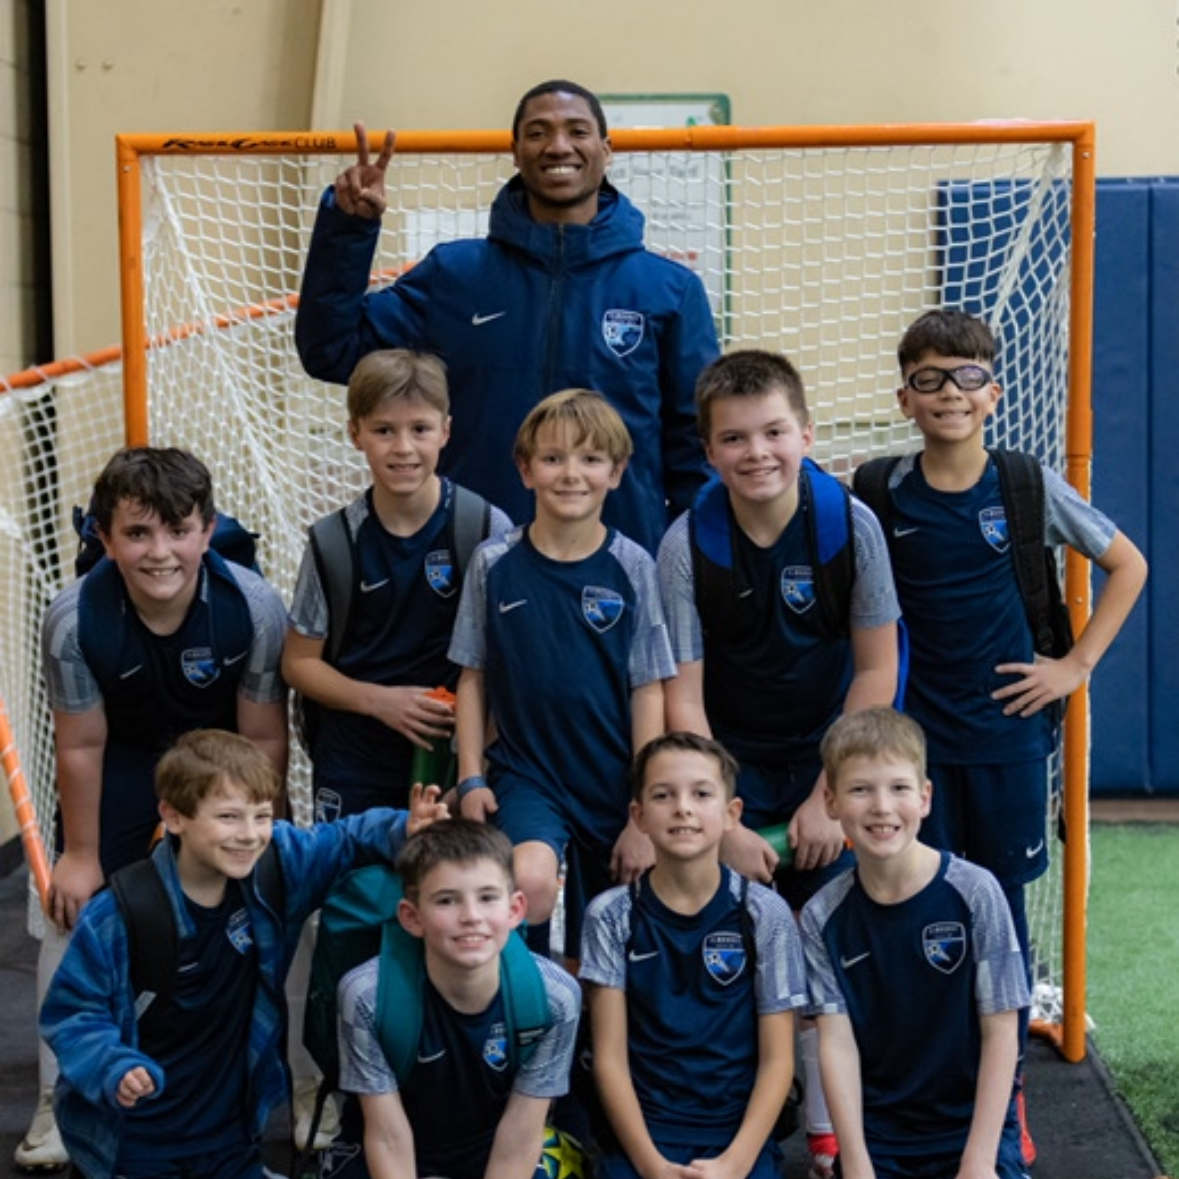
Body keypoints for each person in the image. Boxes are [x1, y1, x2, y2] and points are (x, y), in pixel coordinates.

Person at [852, 307, 1148, 1161]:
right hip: (909, 753)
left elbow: (1127, 563)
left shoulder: (1023, 484)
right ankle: (911, 1089)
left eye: (967, 375)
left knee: (1000, 925)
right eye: (930, 378)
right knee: (912, 909)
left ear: (995, 391)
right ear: (904, 396)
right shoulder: (876, 490)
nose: (950, 392)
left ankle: (1002, 1088)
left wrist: (1074, 666)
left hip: (1008, 745)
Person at [657, 349, 901, 1178]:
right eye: (734, 438)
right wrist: (718, 818)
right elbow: (680, 698)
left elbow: (875, 671)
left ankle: (837, 1135)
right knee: (728, 940)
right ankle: (727, 1116)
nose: (756, 452)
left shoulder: (848, 525)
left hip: (831, 749)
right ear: (707, 449)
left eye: (772, 432)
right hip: (725, 759)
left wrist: (829, 795)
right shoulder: (687, 542)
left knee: (839, 937)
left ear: (804, 432)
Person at [294, 78, 719, 556]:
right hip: (470, 560)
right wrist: (348, 230)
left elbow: (697, 445)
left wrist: (698, 564)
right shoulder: (454, 274)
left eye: (577, 131)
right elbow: (330, 349)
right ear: (515, 152)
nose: (558, 145)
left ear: (606, 148)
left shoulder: (669, 289)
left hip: (618, 568)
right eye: (538, 133)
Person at [18, 447, 289, 1171]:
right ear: (104, 539)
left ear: (207, 528)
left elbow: (261, 732)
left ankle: (298, 1083)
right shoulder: (74, 616)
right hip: (123, 756)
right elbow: (80, 743)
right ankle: (56, 1096)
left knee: (272, 893)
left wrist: (262, 825)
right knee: (66, 904)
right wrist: (80, 855)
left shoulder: (253, 604)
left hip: (217, 755)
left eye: (177, 530)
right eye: (137, 534)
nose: (160, 551)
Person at [39, 728, 448, 1179]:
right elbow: (74, 1013)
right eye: (229, 817)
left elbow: (345, 839)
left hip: (230, 1137)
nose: (250, 835)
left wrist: (402, 829)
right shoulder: (121, 912)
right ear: (174, 817)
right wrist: (113, 1064)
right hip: (137, 1143)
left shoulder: (276, 863)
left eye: (261, 816)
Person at [448, 389, 675, 958]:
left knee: (611, 927)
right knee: (528, 882)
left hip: (612, 780)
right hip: (529, 774)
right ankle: (524, 1016)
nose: (571, 474)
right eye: (552, 459)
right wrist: (472, 776)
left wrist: (643, 808)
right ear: (525, 470)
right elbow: (472, 677)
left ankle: (591, 1038)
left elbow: (648, 688)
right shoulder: (494, 563)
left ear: (617, 472)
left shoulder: (632, 567)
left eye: (590, 459)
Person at [801, 707, 1032, 1179]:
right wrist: (858, 1164)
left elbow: (1002, 1030)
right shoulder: (822, 916)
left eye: (899, 788)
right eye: (861, 789)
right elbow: (837, 1045)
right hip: (881, 1136)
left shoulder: (975, 893)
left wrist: (979, 1162)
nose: (882, 807)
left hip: (970, 1130)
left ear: (925, 798)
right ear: (830, 801)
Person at [284, 348, 511, 819]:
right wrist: (380, 701)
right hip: (355, 755)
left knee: (450, 888)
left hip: (452, 755)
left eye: (420, 429)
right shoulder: (333, 541)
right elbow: (299, 662)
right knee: (357, 889)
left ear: (446, 430)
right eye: (384, 430)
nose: (403, 447)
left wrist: (475, 769)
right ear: (355, 434)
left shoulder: (485, 526)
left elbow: (508, 661)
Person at [579, 731, 807, 1179]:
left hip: (738, 1135)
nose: (683, 807)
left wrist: (735, 1164)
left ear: (731, 814)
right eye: (664, 795)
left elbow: (779, 1060)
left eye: (701, 794)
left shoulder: (764, 913)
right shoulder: (610, 916)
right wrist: (652, 1166)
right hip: (644, 1135)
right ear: (639, 816)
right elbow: (609, 1058)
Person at [332, 819, 582, 1179]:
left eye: (487, 897)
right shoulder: (368, 996)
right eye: (447, 900)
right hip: (397, 1149)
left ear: (515, 910)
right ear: (412, 917)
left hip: (492, 1147)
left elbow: (520, 1134)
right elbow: (388, 1137)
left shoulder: (554, 996)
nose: (471, 917)